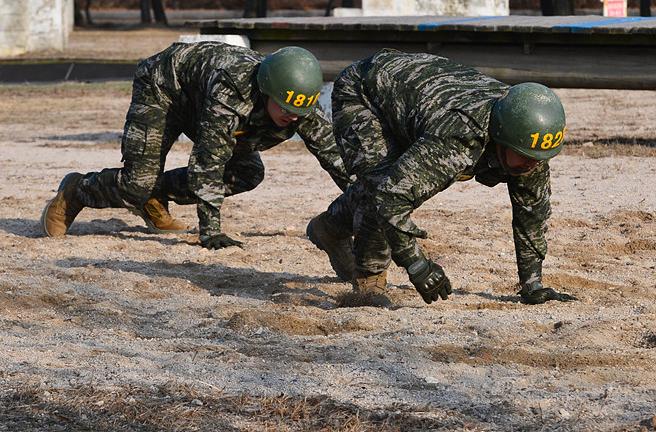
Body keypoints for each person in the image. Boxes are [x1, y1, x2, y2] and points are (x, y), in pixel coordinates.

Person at [306, 48, 577, 306]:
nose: (533, 165)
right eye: (526, 157)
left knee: (389, 182)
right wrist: (418, 265)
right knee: (379, 182)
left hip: (417, 104)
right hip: (364, 91)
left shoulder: (529, 143)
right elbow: (390, 197)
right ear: (501, 139)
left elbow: (532, 212)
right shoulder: (459, 137)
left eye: (539, 159)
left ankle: (330, 227)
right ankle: (369, 280)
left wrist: (532, 284)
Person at [41, 41, 351, 248]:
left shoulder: (301, 106)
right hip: (164, 88)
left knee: (247, 173)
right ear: (267, 91)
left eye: (300, 112)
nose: (293, 118)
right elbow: (207, 161)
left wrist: (367, 209)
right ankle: (77, 191)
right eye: (286, 108)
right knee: (135, 185)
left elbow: (337, 160)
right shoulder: (232, 93)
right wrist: (211, 231)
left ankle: (155, 197)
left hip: (201, 99)